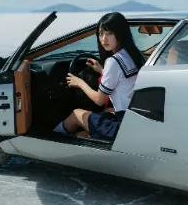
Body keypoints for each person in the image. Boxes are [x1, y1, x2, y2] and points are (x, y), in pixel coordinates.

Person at [53, 12, 146, 140]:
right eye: (101, 34)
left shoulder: (113, 61)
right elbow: (123, 80)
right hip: (136, 118)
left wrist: (79, 82)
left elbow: (99, 100)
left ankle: (52, 138)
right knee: (106, 112)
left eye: (109, 33)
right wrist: (102, 70)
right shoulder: (135, 55)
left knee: (76, 114)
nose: (104, 39)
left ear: (120, 33)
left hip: (123, 126)